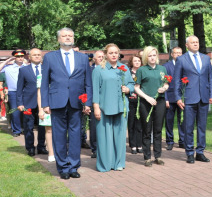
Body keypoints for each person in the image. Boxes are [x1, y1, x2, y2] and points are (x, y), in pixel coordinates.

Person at [41, 28, 92, 180]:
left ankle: (74, 166)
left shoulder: (82, 58)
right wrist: (45, 103)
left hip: (77, 102)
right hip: (57, 102)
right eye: (64, 36)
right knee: (59, 135)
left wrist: (87, 102)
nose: (68, 38)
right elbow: (44, 83)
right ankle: (63, 167)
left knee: (76, 135)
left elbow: (88, 83)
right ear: (59, 39)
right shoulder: (50, 57)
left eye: (70, 36)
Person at [172, 36, 212, 164]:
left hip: (203, 98)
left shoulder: (206, 58)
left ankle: (200, 152)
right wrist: (178, 98)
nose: (196, 44)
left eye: (197, 42)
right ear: (187, 45)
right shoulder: (181, 59)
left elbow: (210, 78)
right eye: (193, 42)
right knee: (188, 127)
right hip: (189, 98)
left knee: (202, 127)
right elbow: (176, 81)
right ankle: (190, 153)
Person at [92, 44, 134, 172]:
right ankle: (105, 164)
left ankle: (118, 163)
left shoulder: (124, 68)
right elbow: (95, 90)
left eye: (116, 52)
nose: (114, 55)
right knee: (104, 137)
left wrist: (128, 89)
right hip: (104, 108)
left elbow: (131, 84)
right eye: (111, 53)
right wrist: (96, 107)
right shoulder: (99, 70)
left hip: (121, 107)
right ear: (106, 54)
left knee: (120, 137)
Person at [135, 46, 169, 167]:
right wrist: (147, 97)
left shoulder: (162, 69)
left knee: (158, 129)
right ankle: (147, 157)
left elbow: (166, 83)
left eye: (154, 55)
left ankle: (158, 156)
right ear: (145, 57)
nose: (152, 58)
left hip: (159, 101)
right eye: (150, 55)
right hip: (146, 102)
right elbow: (136, 88)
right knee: (147, 129)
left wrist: (164, 88)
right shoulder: (141, 70)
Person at [17, 48, 48, 156]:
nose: (37, 56)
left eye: (39, 55)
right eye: (34, 55)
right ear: (29, 57)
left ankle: (41, 147)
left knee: (42, 126)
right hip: (28, 102)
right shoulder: (23, 70)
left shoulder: (46, 69)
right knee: (28, 126)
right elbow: (19, 88)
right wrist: (20, 103)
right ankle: (30, 147)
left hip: (44, 103)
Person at [164, 46, 184, 150]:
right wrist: (165, 98)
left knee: (182, 120)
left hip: (182, 97)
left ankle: (182, 141)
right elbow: (164, 83)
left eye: (180, 53)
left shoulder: (185, 65)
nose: (178, 55)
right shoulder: (166, 66)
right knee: (169, 120)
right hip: (170, 97)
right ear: (172, 54)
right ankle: (170, 141)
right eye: (176, 53)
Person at [3, 50, 27, 137]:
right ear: (14, 58)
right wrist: (7, 60)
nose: (20, 58)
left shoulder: (27, 67)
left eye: (22, 56)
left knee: (26, 111)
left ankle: (25, 128)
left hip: (25, 92)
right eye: (18, 56)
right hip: (13, 92)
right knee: (15, 112)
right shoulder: (8, 68)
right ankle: (16, 130)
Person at [126, 54, 143, 154]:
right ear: (132, 62)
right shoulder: (128, 72)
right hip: (130, 101)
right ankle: (132, 145)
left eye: (139, 61)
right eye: (135, 61)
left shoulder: (143, 71)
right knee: (131, 123)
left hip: (141, 101)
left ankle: (139, 145)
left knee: (139, 124)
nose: (137, 62)